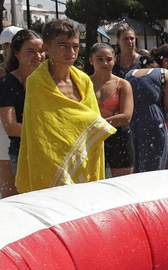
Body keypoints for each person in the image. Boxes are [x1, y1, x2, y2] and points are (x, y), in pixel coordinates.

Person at [15, 19, 114, 193]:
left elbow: (91, 118)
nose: (71, 52)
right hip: (51, 160)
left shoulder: (84, 80)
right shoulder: (37, 82)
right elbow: (48, 128)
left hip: (84, 157)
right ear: (46, 48)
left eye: (75, 46)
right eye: (63, 46)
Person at [0, 29, 45, 198]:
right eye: (30, 51)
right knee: (15, 198)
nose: (38, 56)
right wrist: (48, 134)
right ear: (16, 53)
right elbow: (11, 127)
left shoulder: (50, 80)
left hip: (48, 150)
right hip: (20, 150)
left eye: (41, 51)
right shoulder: (5, 82)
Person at [123, 46, 168, 173]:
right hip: (154, 120)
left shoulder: (129, 74)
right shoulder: (164, 73)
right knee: (155, 165)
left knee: (135, 163)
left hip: (133, 121)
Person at [87, 43, 135, 177]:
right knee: (93, 181)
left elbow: (125, 117)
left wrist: (96, 122)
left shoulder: (123, 85)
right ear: (91, 60)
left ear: (114, 61)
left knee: (122, 182)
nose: (105, 63)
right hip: (93, 136)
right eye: (99, 59)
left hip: (119, 136)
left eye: (109, 59)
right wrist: (113, 117)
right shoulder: (84, 84)